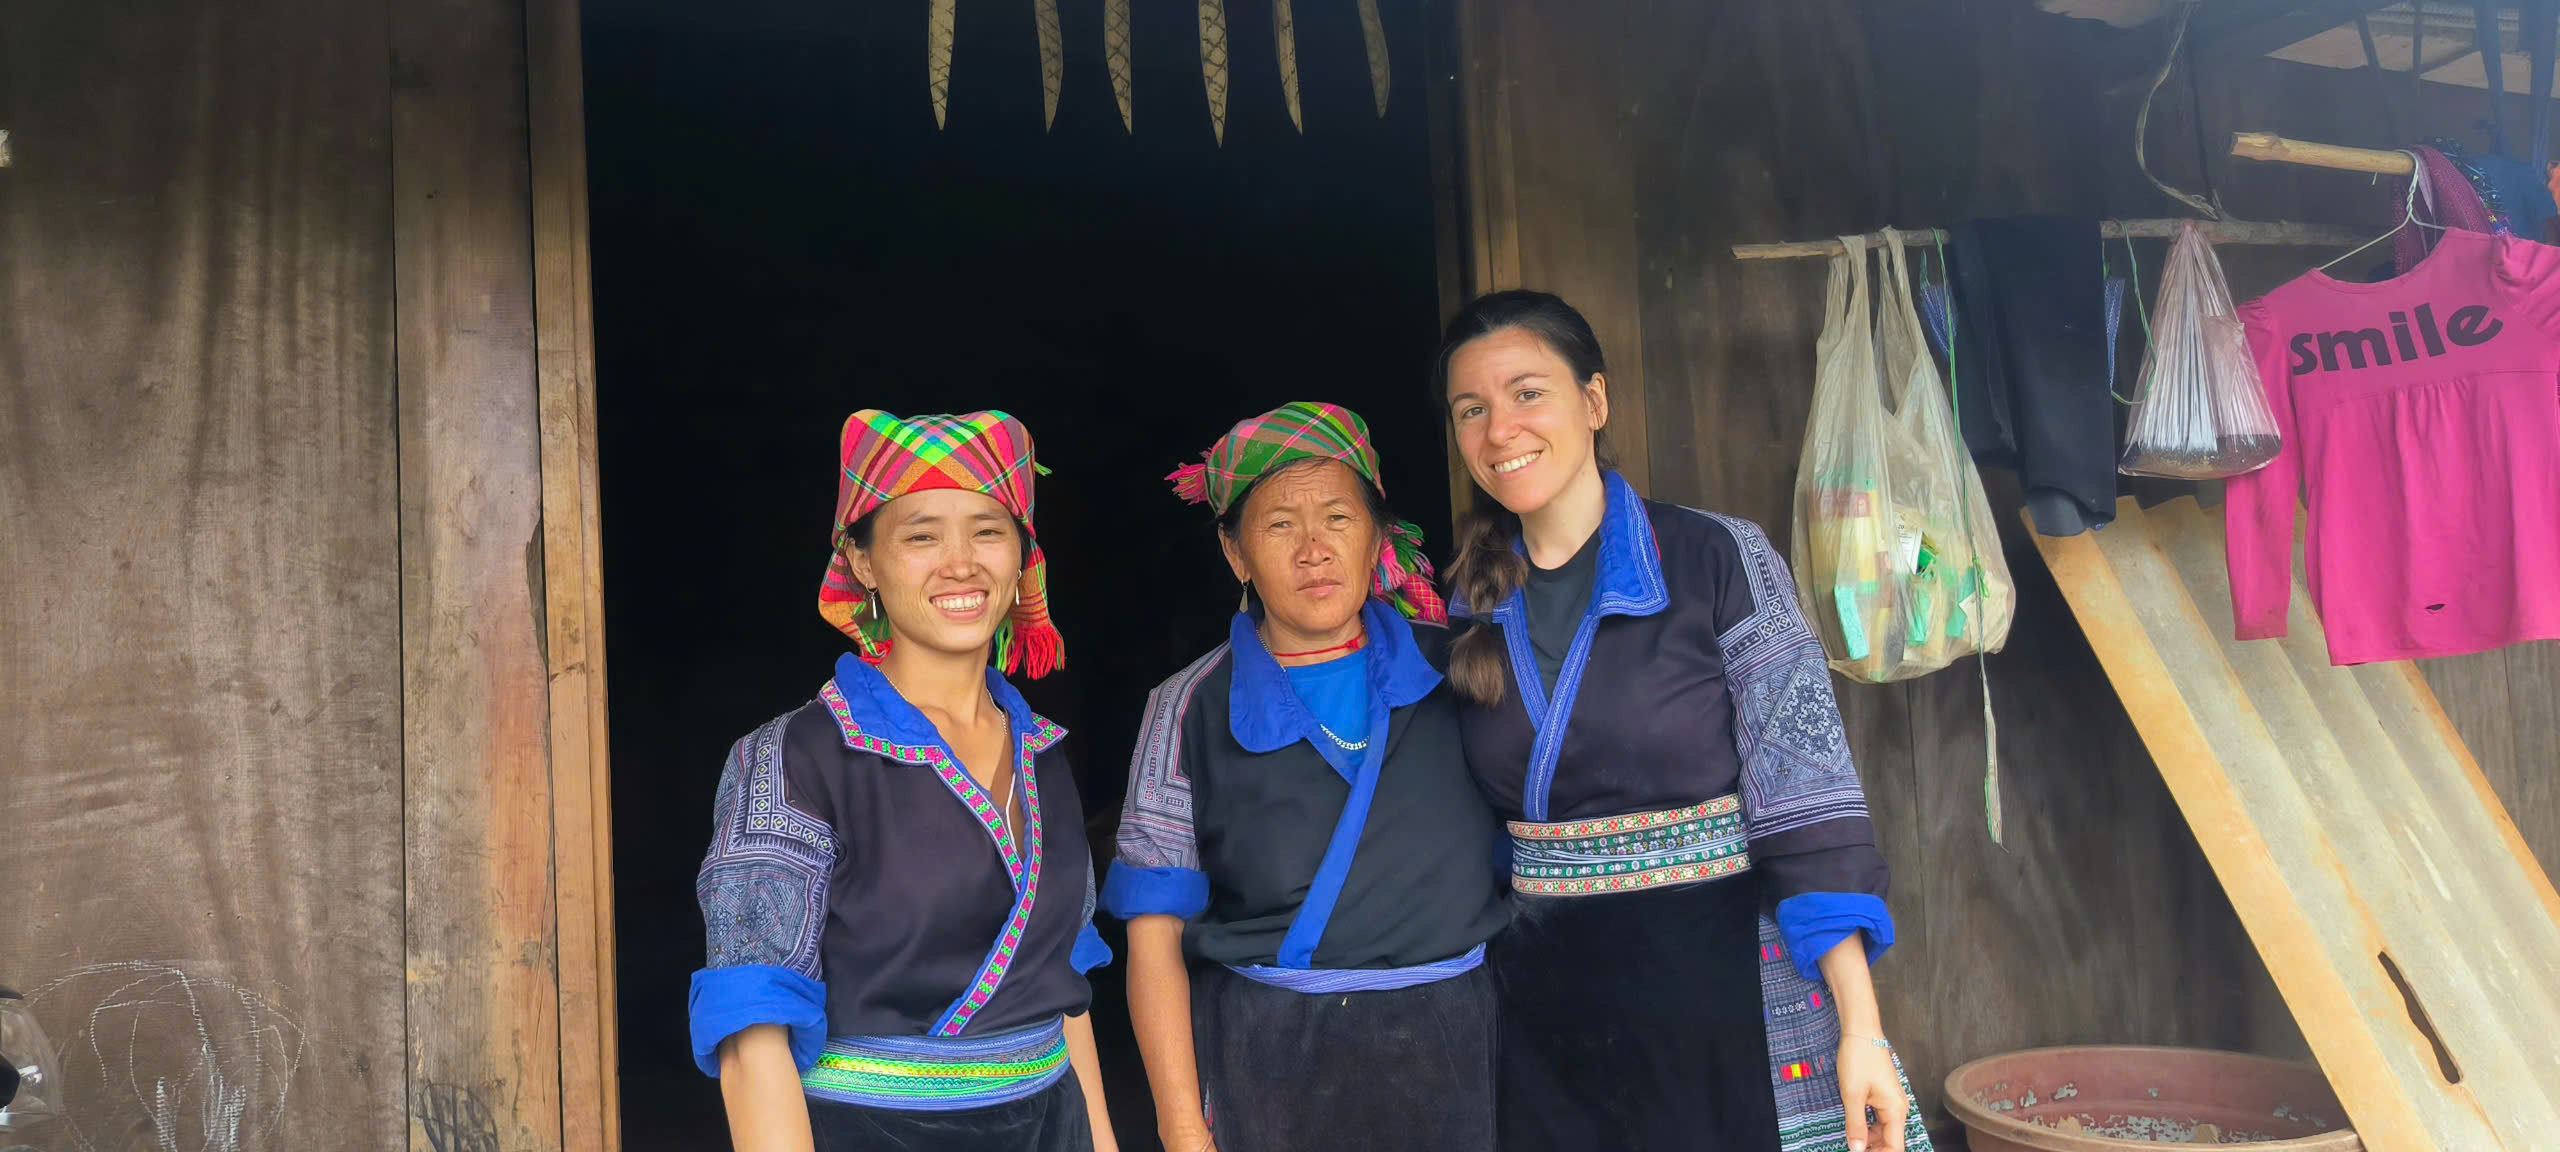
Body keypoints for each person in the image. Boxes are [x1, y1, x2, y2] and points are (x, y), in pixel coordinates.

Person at [1437, 293, 1932, 1152]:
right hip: (1543, 1023)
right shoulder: (1457, 609)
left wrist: (1862, 1029)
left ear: (1594, 402)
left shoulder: (1718, 559)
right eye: (1470, 410)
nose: (1499, 430)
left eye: (1527, 393)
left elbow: (1806, 801)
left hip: (1721, 999)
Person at [689, 410, 1118, 1152]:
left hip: (1052, 1127)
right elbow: (752, 1032)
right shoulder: (795, 757)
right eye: (921, 535)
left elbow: (1064, 996)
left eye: (988, 530)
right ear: (862, 562)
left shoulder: (1043, 753)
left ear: (1022, 555)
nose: (962, 563)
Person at [1103, 402, 1509, 1152]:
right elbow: (1153, 938)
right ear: (1236, 554)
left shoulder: (1462, 665)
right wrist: (1182, 1125)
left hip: (1458, 1049)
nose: (1314, 549)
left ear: (1377, 536)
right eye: (1280, 525)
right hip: (1271, 1063)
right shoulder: (1188, 705)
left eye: (1337, 519)